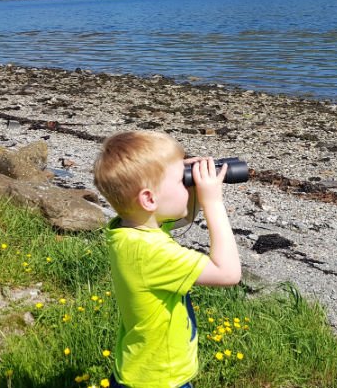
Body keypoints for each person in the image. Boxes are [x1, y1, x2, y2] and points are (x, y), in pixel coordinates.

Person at [93, 131, 242, 388]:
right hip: (159, 380)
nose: (187, 184)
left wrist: (192, 183)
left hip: (141, 372)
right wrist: (213, 201)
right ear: (149, 199)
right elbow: (228, 273)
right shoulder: (151, 253)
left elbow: (180, 215)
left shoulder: (129, 232)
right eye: (180, 181)